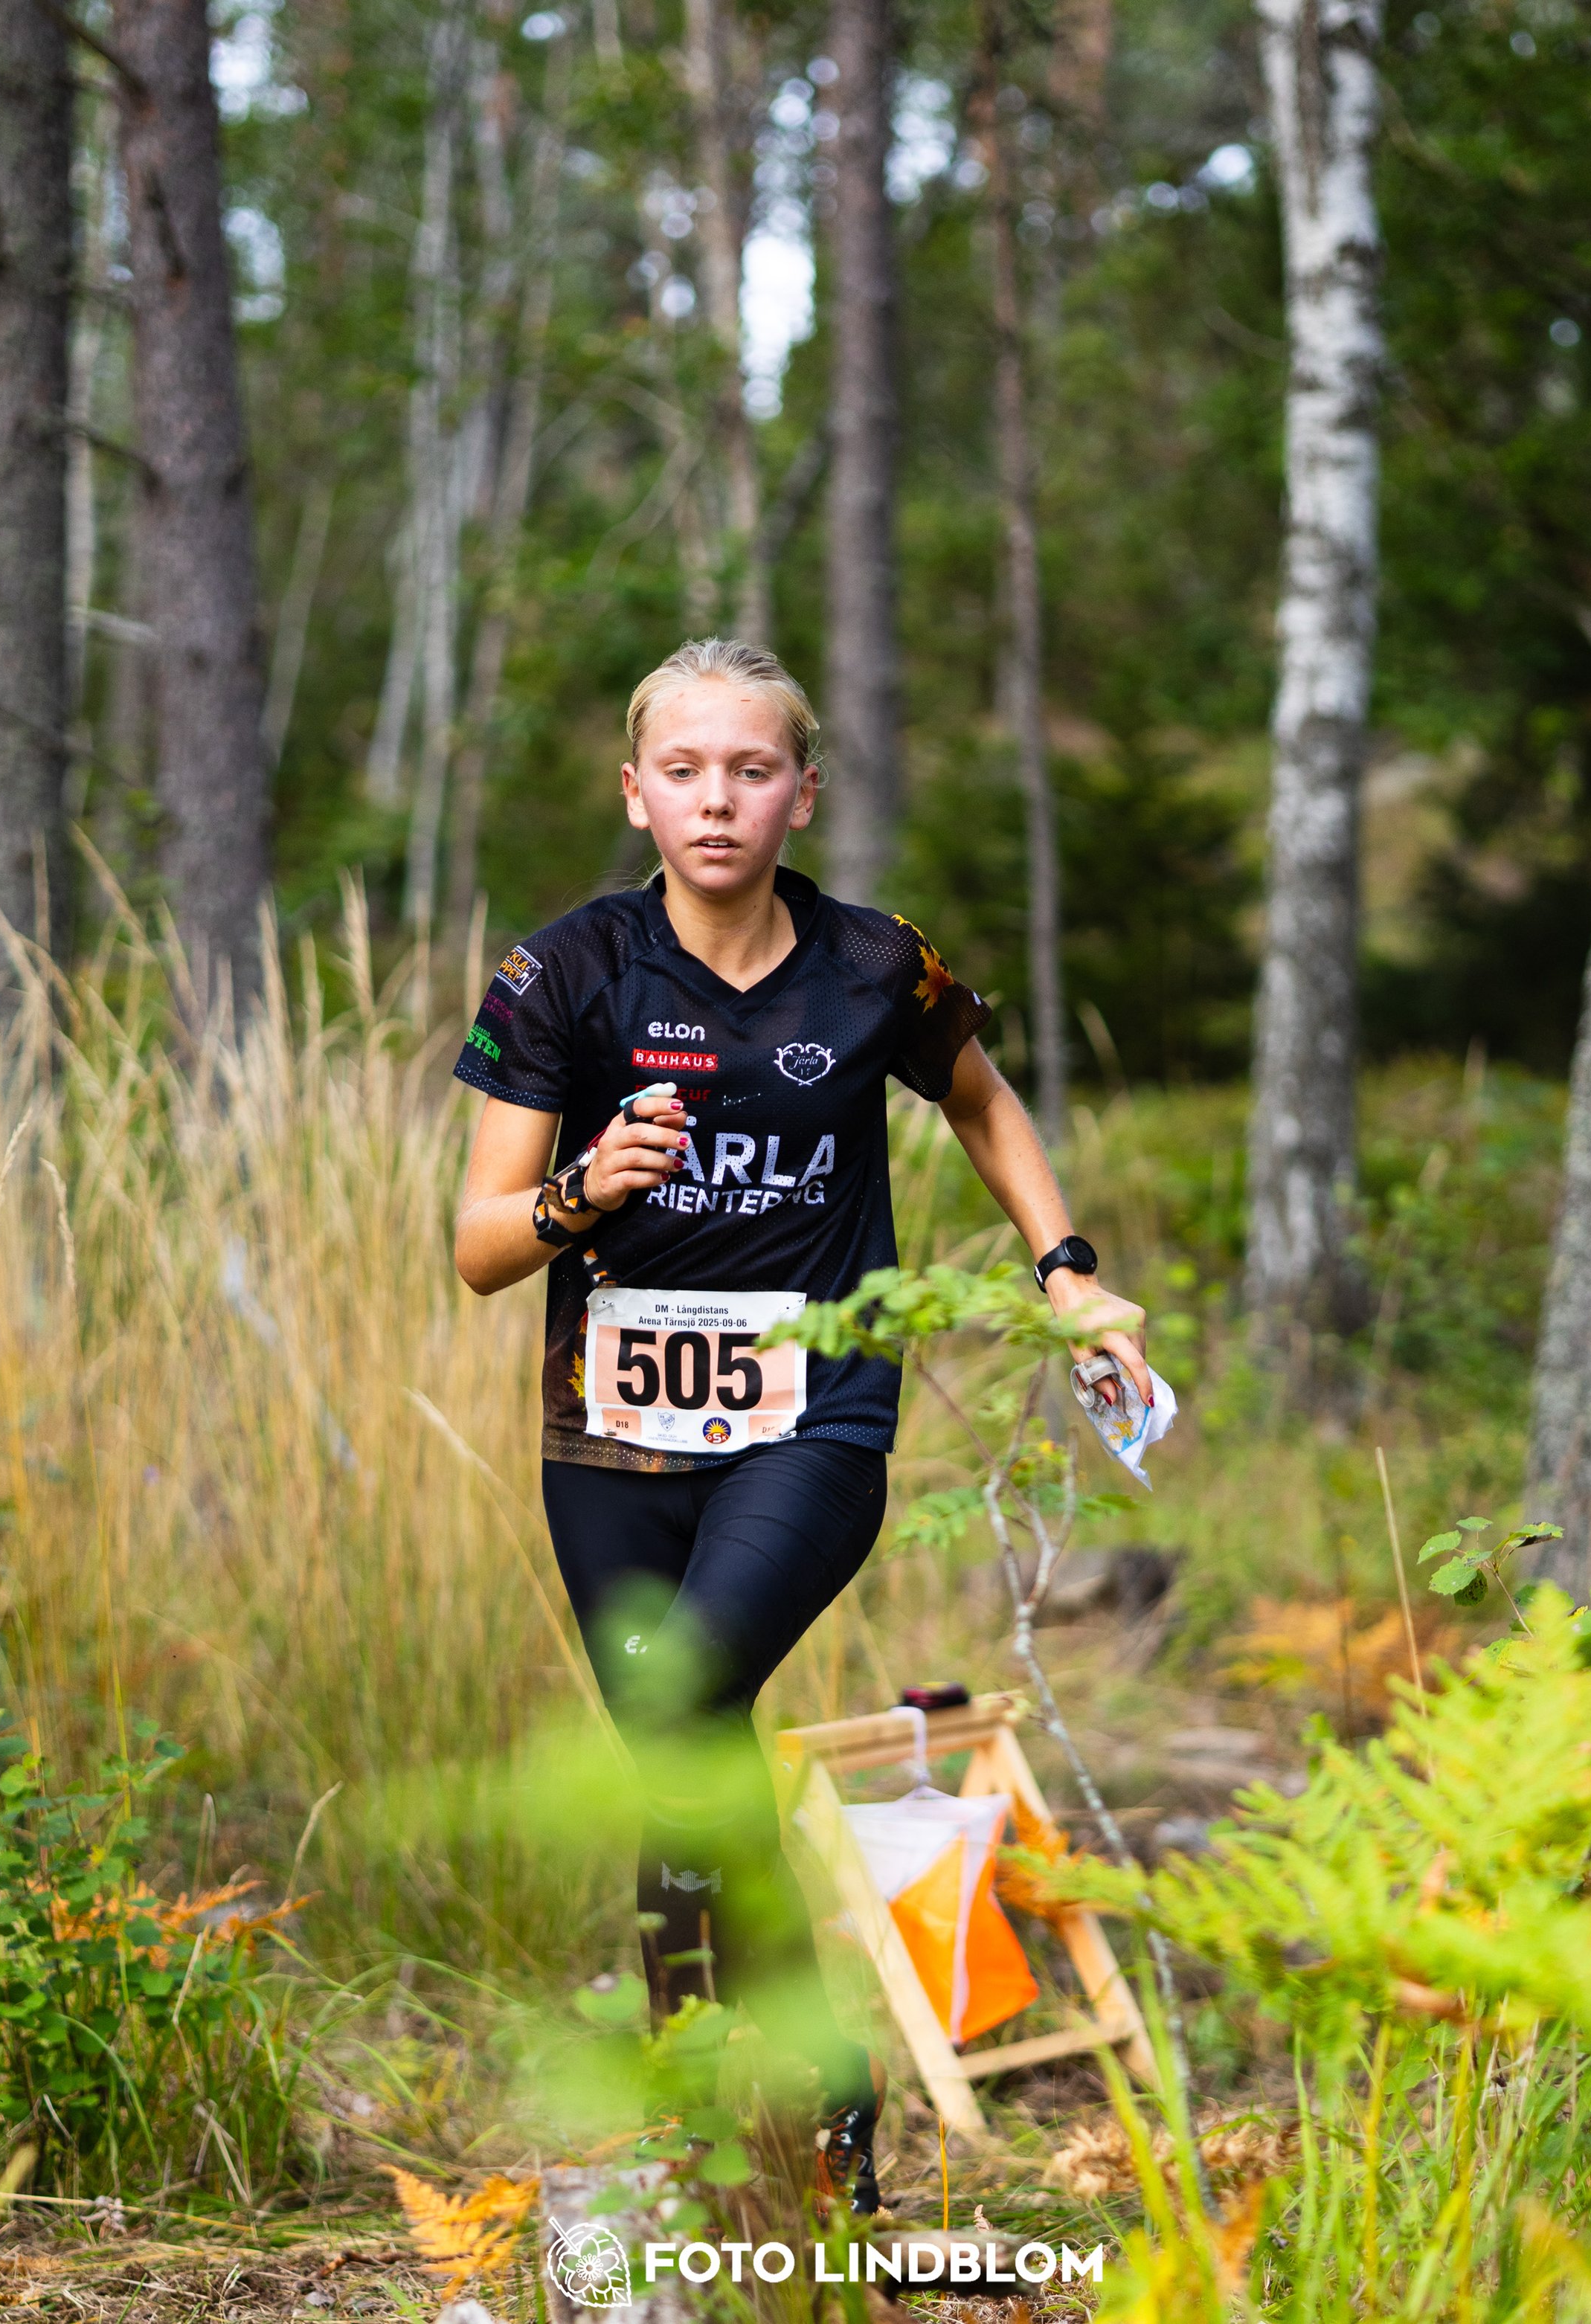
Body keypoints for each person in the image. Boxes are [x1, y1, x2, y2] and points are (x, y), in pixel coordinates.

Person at [452, 637, 1150, 2210]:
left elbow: (975, 1095)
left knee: (687, 1706)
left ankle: (767, 2090)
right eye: (683, 770)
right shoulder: (563, 974)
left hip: (811, 1423)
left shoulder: (869, 962)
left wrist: (1062, 1269)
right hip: (611, 1444)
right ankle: (755, 2129)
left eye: (750, 769)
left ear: (800, 791)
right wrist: (583, 1190)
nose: (718, 799)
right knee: (675, 1760)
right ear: (634, 794)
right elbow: (478, 1246)